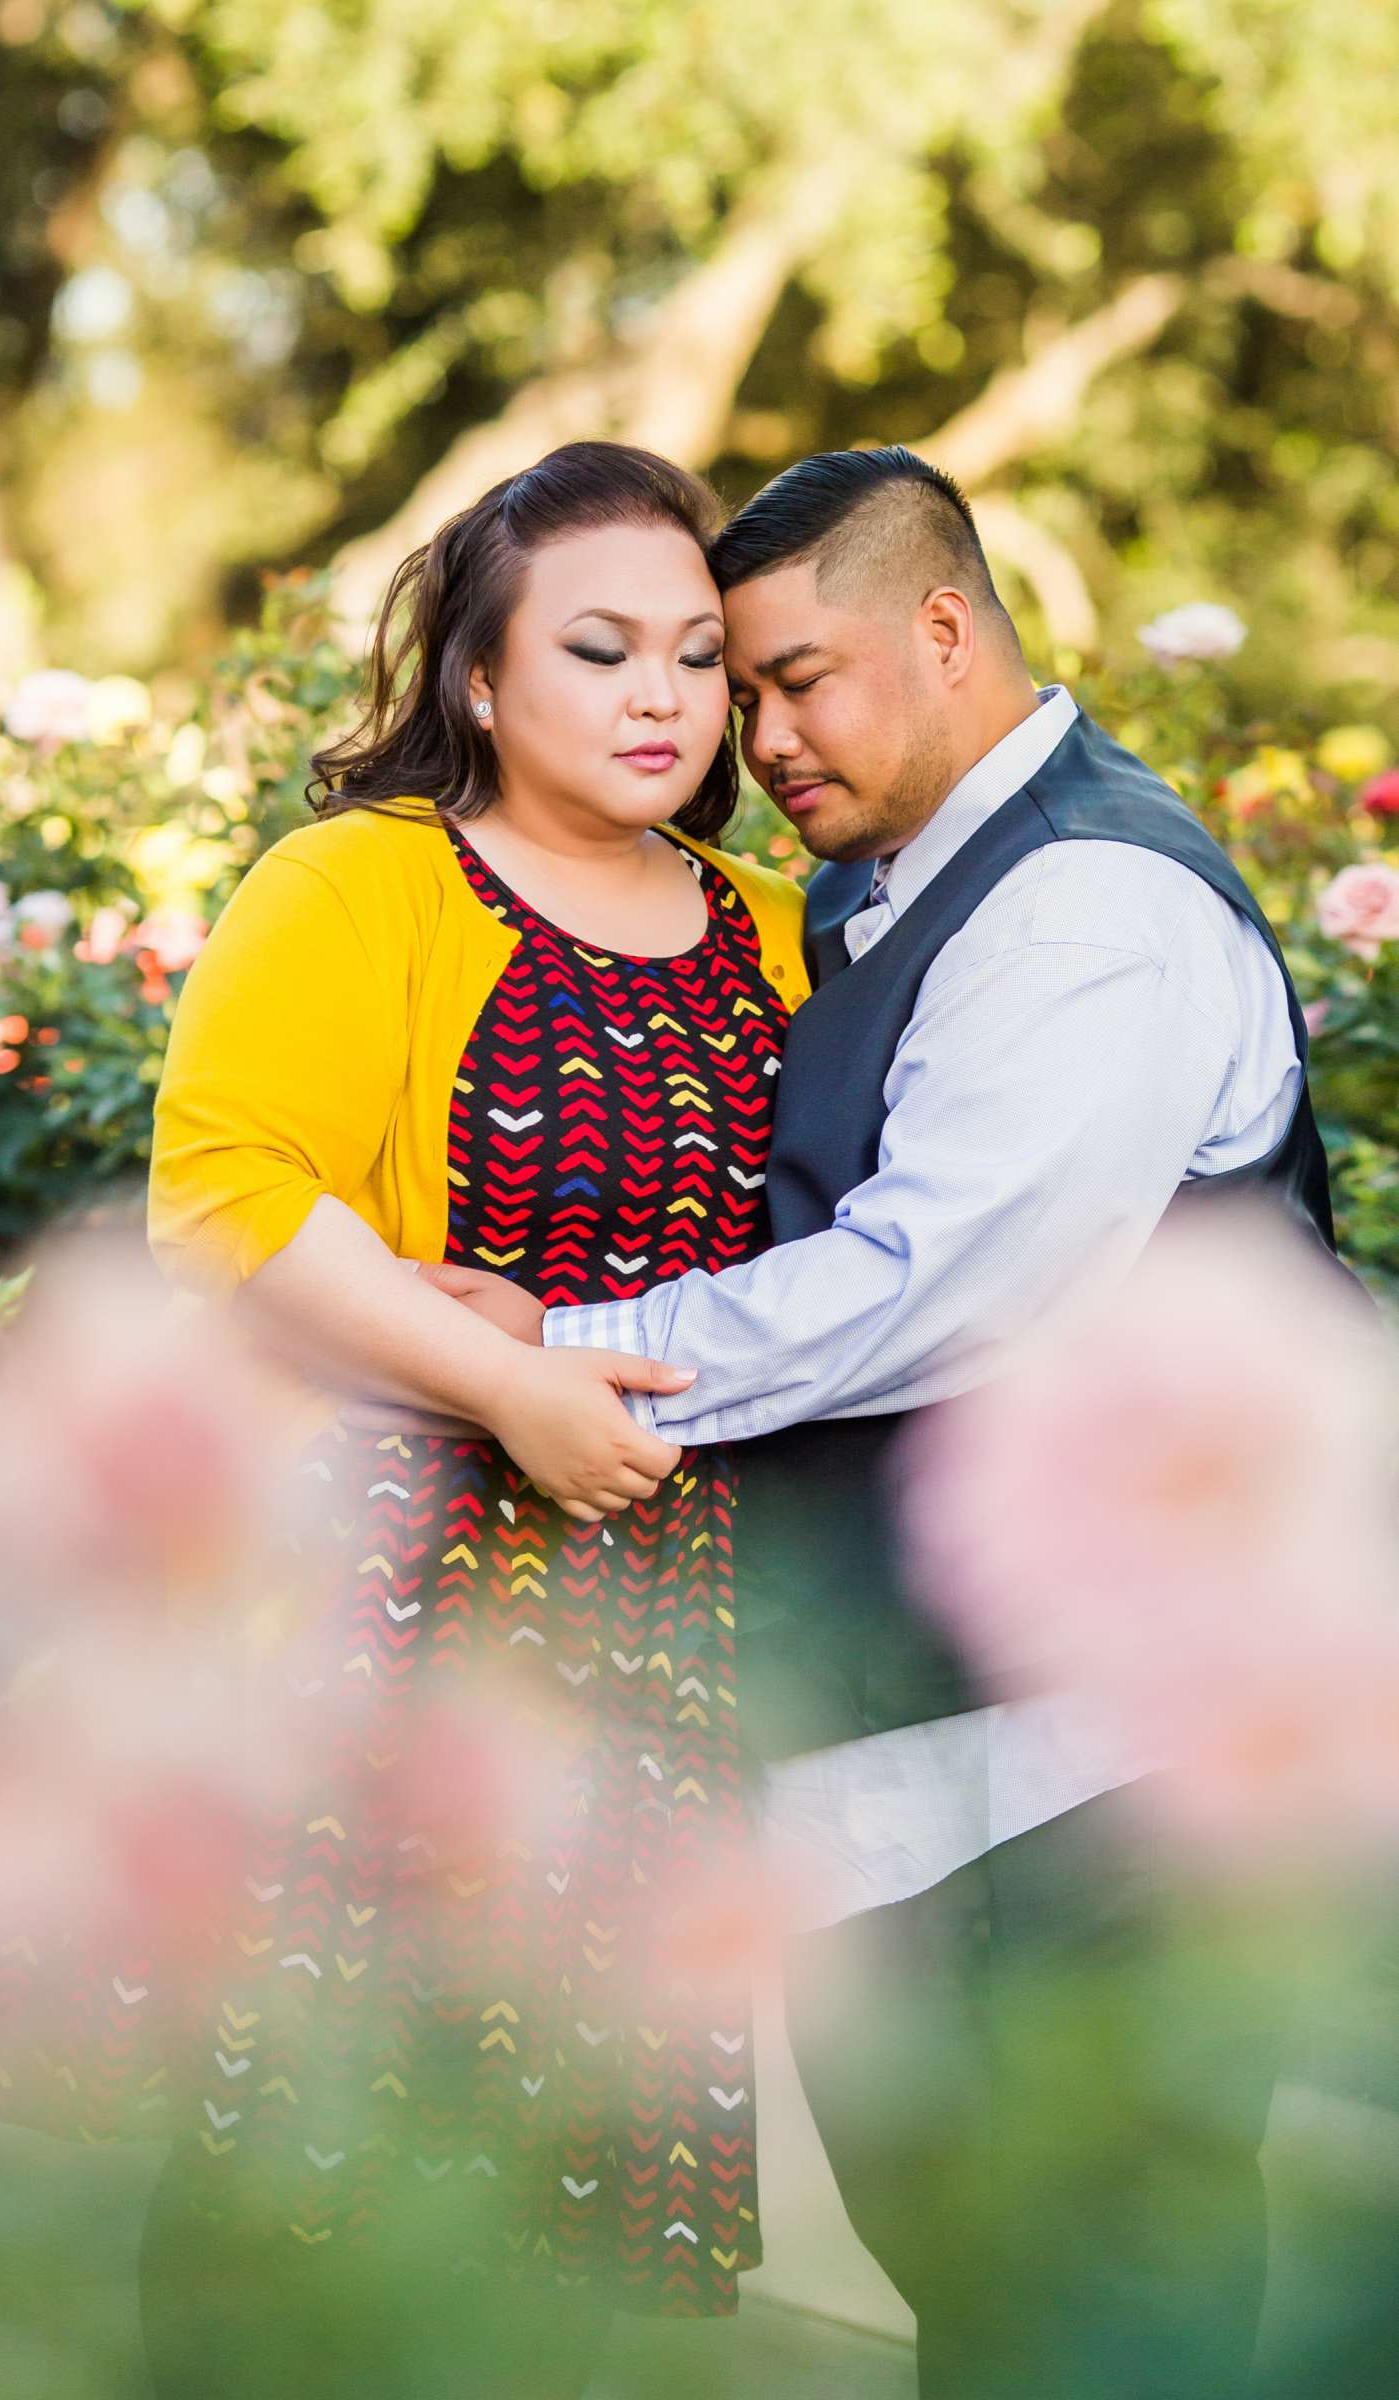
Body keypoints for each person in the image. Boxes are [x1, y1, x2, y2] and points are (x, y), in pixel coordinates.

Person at [428, 447, 1340, 2400]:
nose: (751, 735)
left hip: (1087, 1762)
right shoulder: (896, 881)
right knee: (972, 2286)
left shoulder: (1083, 906)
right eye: (727, 687)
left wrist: (552, 1352)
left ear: (941, 630)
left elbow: (939, 1281)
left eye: (789, 677)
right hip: (938, 1741)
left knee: (1094, 2310)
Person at [138, 441, 810, 2396]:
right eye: (597, 649)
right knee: (308, 2139)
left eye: (698, 658)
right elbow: (227, 1194)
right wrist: (508, 1384)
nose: (660, 700)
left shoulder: (768, 928)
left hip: (654, 1631)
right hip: (379, 1603)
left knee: (567, 2183)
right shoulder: (361, 886)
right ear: (481, 679)